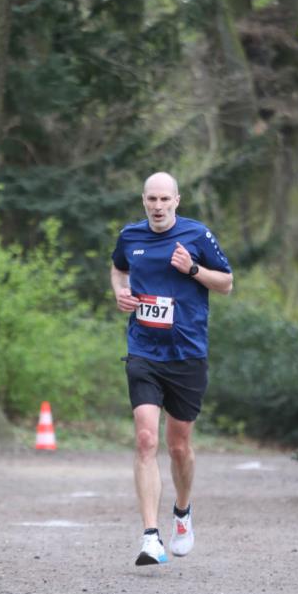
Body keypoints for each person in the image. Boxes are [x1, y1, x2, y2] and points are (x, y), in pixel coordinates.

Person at [110, 172, 233, 566]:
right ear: (143, 200)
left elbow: (227, 283)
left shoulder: (197, 236)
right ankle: (150, 537)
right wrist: (120, 293)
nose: (158, 206)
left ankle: (182, 512)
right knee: (146, 439)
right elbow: (118, 269)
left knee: (178, 447)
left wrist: (193, 270)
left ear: (177, 200)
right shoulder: (130, 236)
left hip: (187, 355)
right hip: (143, 351)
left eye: (165, 199)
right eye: (151, 199)